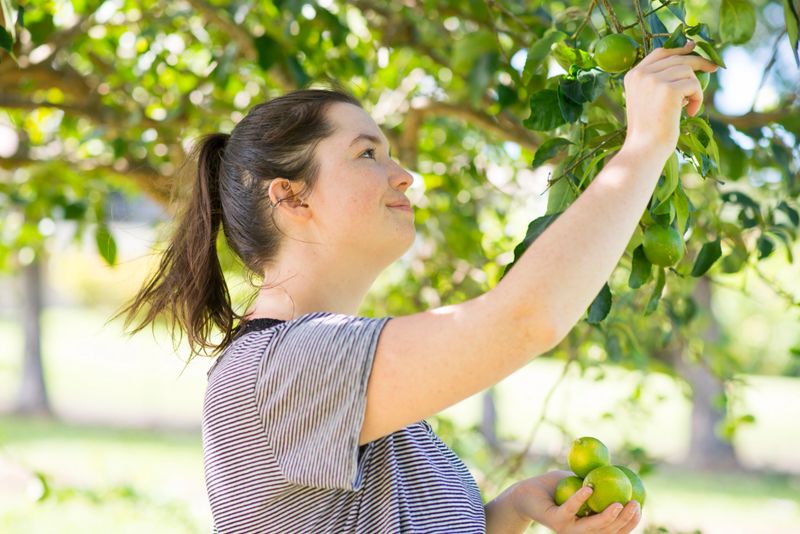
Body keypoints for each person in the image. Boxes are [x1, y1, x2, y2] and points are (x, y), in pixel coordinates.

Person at [113, 40, 718, 533]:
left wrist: (507, 514)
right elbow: (526, 318)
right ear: (291, 196)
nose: (405, 175)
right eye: (368, 153)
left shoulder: (336, 368)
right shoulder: (285, 366)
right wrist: (644, 146)